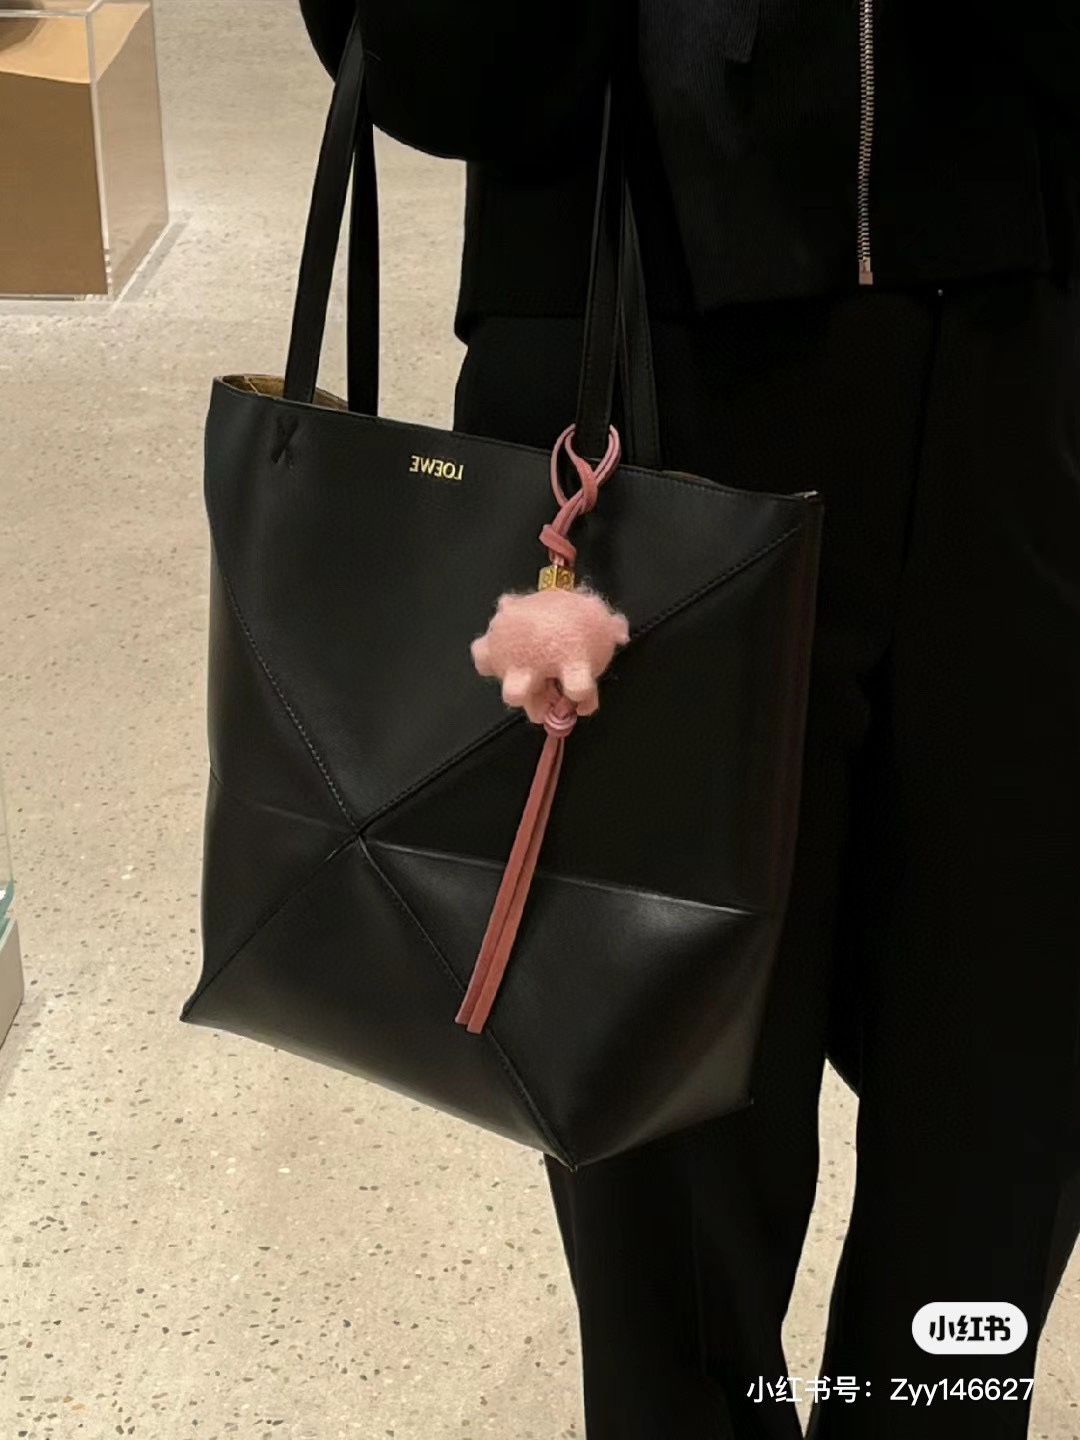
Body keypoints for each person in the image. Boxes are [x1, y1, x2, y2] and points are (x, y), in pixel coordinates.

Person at [298, 3, 1080, 1436]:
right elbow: (436, 60)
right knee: (659, 1151)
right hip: (640, 405)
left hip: (1035, 359)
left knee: (1006, 1113)